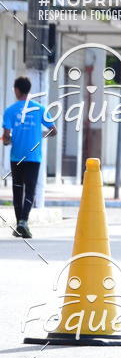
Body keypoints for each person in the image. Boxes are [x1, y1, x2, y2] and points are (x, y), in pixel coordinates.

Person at [2, 76, 56, 238]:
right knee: (30, 190)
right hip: (34, 156)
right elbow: (53, 130)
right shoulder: (40, 109)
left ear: (17, 90)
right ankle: (23, 222)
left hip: (16, 156)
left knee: (17, 189)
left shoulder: (10, 111)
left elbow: (6, 137)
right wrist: (39, 135)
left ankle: (20, 223)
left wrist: (8, 140)